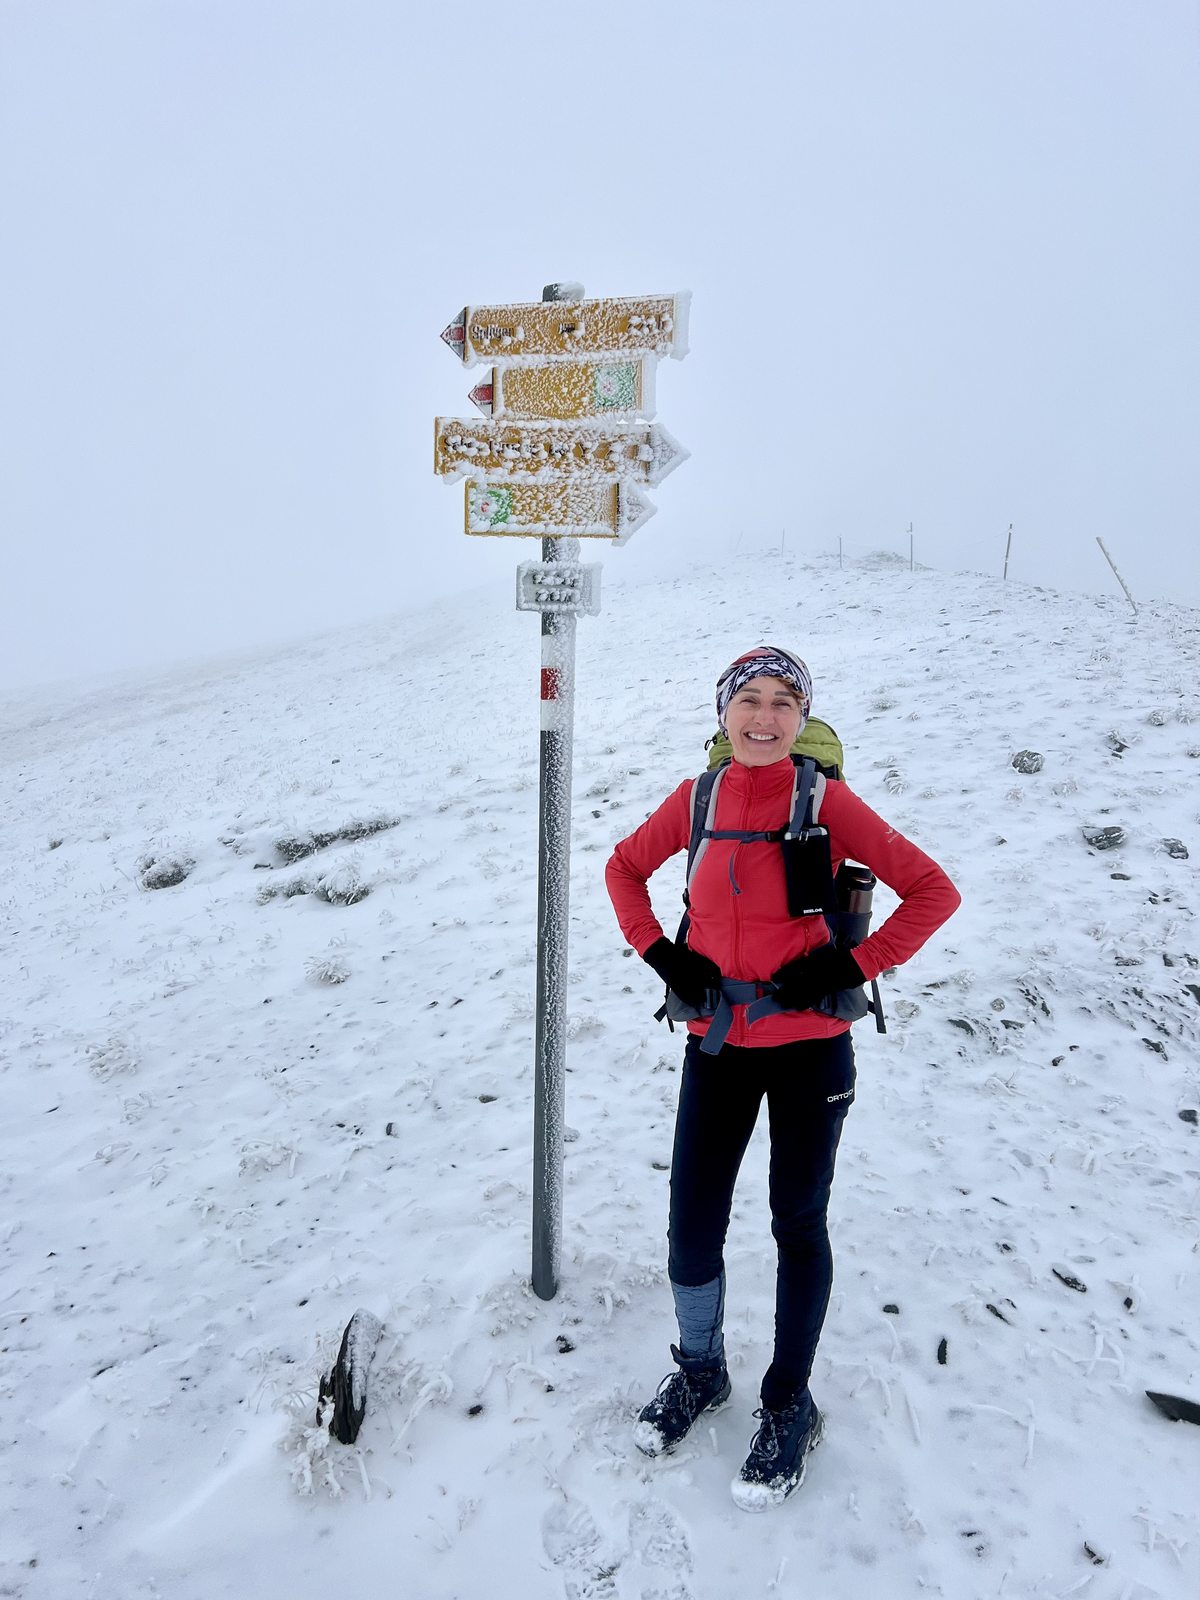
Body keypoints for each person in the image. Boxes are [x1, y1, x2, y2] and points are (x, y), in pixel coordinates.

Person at [604, 645, 961, 1510]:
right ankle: (700, 1370)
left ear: (804, 718)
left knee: (796, 1224)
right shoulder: (697, 798)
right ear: (723, 714)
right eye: (749, 701)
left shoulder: (827, 800)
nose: (763, 718)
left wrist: (850, 968)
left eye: (782, 703)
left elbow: (932, 891)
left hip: (809, 1050)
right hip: (718, 1044)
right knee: (693, 1223)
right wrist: (662, 955)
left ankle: (788, 1404)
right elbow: (623, 869)